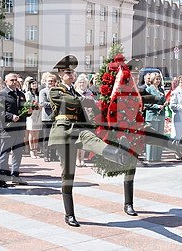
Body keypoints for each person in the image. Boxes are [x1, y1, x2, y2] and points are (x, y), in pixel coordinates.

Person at [48, 68, 133, 227]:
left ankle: (119, 154)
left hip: (79, 129)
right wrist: (85, 100)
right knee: (68, 174)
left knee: (94, 141)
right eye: (67, 72)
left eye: (73, 72)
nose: (71, 75)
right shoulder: (55, 91)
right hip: (63, 131)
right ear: (60, 75)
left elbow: (84, 111)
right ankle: (69, 214)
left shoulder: (76, 92)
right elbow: (71, 101)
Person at [0, 73, 31, 188]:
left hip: (20, 128)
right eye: (12, 80)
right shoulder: (1, 94)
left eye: (16, 80)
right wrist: (11, 116)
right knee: (4, 154)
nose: (14, 82)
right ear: (6, 81)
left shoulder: (21, 94)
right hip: (7, 129)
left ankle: (15, 175)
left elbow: (23, 110)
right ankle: (1, 178)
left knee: (17, 154)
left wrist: (28, 112)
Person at [145, 72, 167, 162]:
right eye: (156, 79)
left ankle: (158, 157)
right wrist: (157, 106)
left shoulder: (161, 90)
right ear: (152, 80)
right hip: (152, 116)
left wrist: (165, 103)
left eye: (159, 79)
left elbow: (164, 100)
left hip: (161, 116)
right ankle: (150, 158)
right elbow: (146, 103)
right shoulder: (149, 89)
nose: (158, 81)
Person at [74, 74, 93, 167]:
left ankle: (82, 158)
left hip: (88, 118)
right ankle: (77, 158)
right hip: (78, 118)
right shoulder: (75, 92)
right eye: (80, 82)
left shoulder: (89, 93)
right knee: (79, 139)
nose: (82, 84)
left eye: (83, 82)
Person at [39, 73, 58, 162]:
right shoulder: (43, 91)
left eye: (52, 81)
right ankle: (46, 155)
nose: (51, 82)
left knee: (55, 138)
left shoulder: (57, 91)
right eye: (49, 81)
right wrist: (54, 104)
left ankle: (54, 155)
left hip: (56, 117)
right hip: (46, 117)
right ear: (45, 82)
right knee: (46, 137)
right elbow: (42, 103)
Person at [25, 79, 42, 158]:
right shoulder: (28, 93)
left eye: (36, 83)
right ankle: (32, 150)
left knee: (37, 133)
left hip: (38, 114)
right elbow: (28, 103)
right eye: (32, 84)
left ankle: (36, 150)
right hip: (31, 114)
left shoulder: (39, 93)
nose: (34, 85)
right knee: (32, 132)